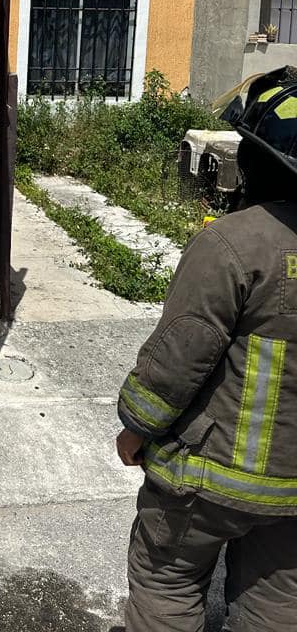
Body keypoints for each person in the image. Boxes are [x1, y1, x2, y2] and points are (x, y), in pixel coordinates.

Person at [116, 67, 297, 632]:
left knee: (166, 584)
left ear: (259, 159)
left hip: (209, 478)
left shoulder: (233, 243)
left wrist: (135, 428)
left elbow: (178, 360)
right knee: (278, 608)